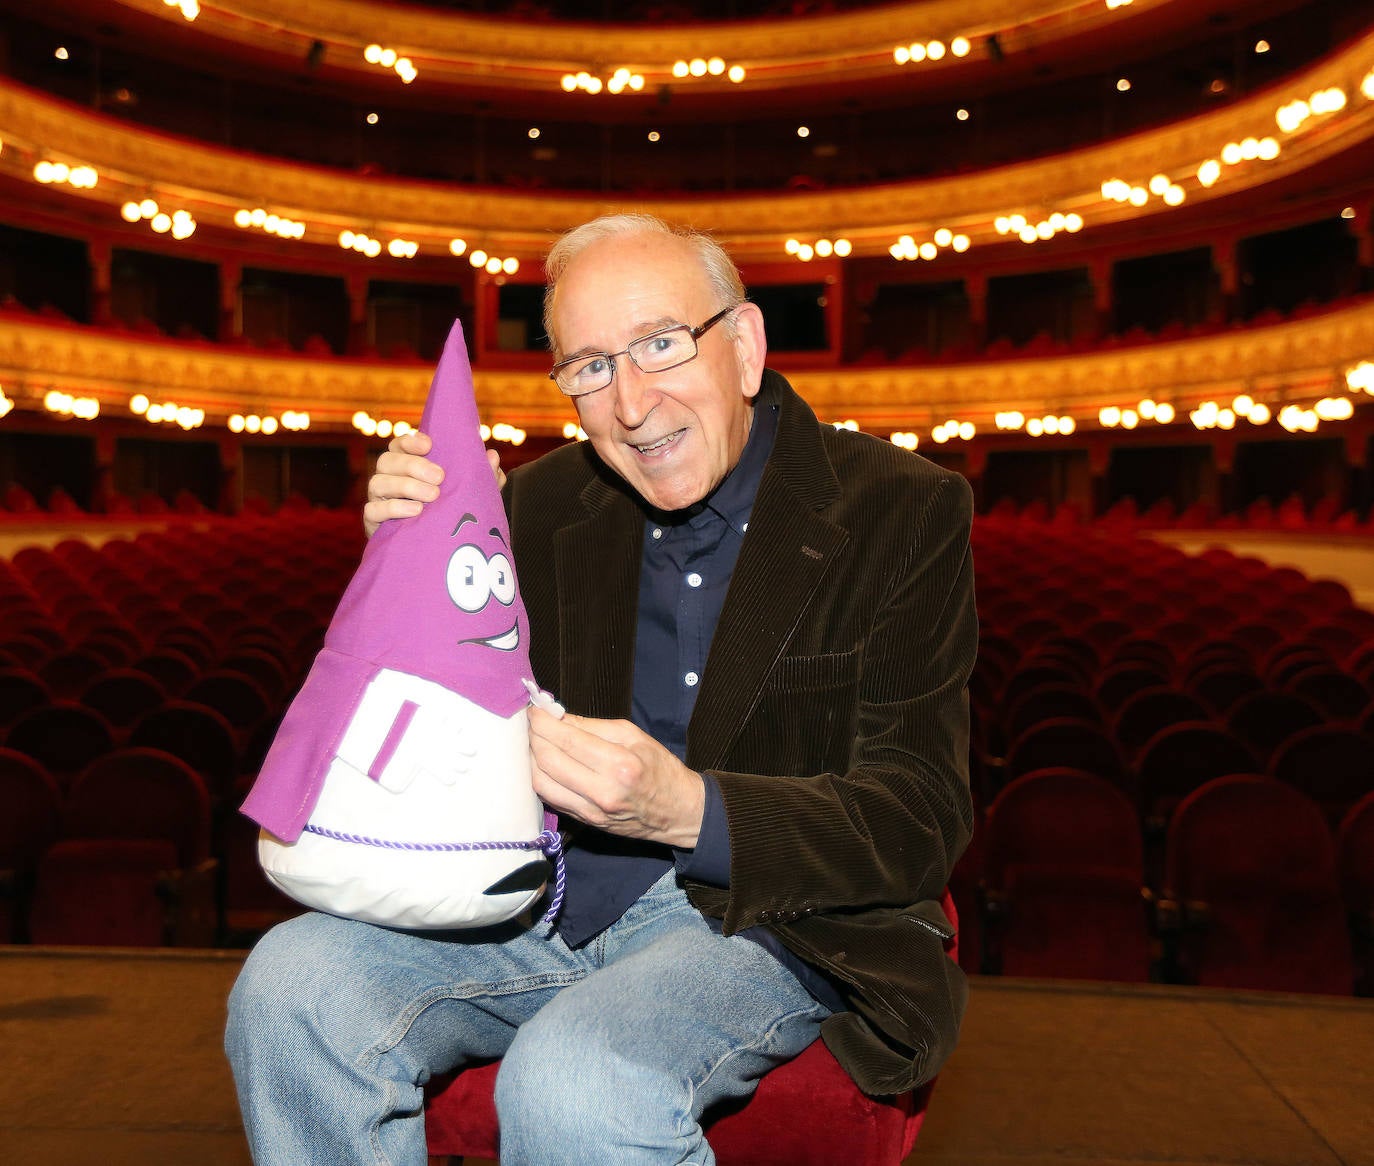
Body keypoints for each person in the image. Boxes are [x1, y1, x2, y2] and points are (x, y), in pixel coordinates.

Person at [225, 212, 976, 1165]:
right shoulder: (536, 505)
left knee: (574, 1077)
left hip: (771, 922)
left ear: (742, 347)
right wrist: (410, 565)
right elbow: (429, 720)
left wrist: (689, 810)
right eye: (588, 366)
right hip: (547, 895)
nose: (630, 403)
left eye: (660, 346)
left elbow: (919, 814)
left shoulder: (904, 509)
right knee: (289, 986)